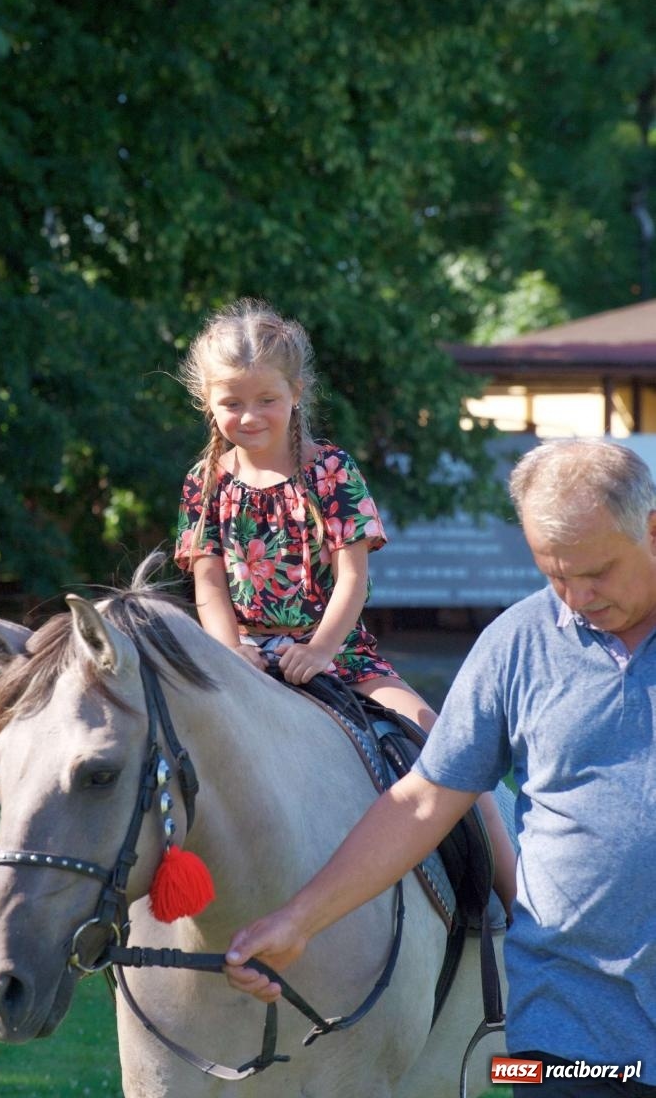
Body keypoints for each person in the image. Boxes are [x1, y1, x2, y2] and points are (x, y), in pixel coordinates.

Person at [224, 438, 656, 1098]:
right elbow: (425, 800)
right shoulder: (518, 643)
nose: (574, 596)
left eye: (596, 571)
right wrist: (297, 921)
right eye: (554, 574)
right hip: (567, 1026)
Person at [174, 298, 516, 913]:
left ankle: (520, 904)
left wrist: (320, 650)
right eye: (231, 403)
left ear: (297, 392)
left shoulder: (330, 471)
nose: (249, 417)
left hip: (339, 654)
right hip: (240, 655)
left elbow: (352, 579)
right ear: (208, 401)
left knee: (438, 742)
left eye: (266, 400)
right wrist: (230, 654)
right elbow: (208, 585)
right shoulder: (205, 484)